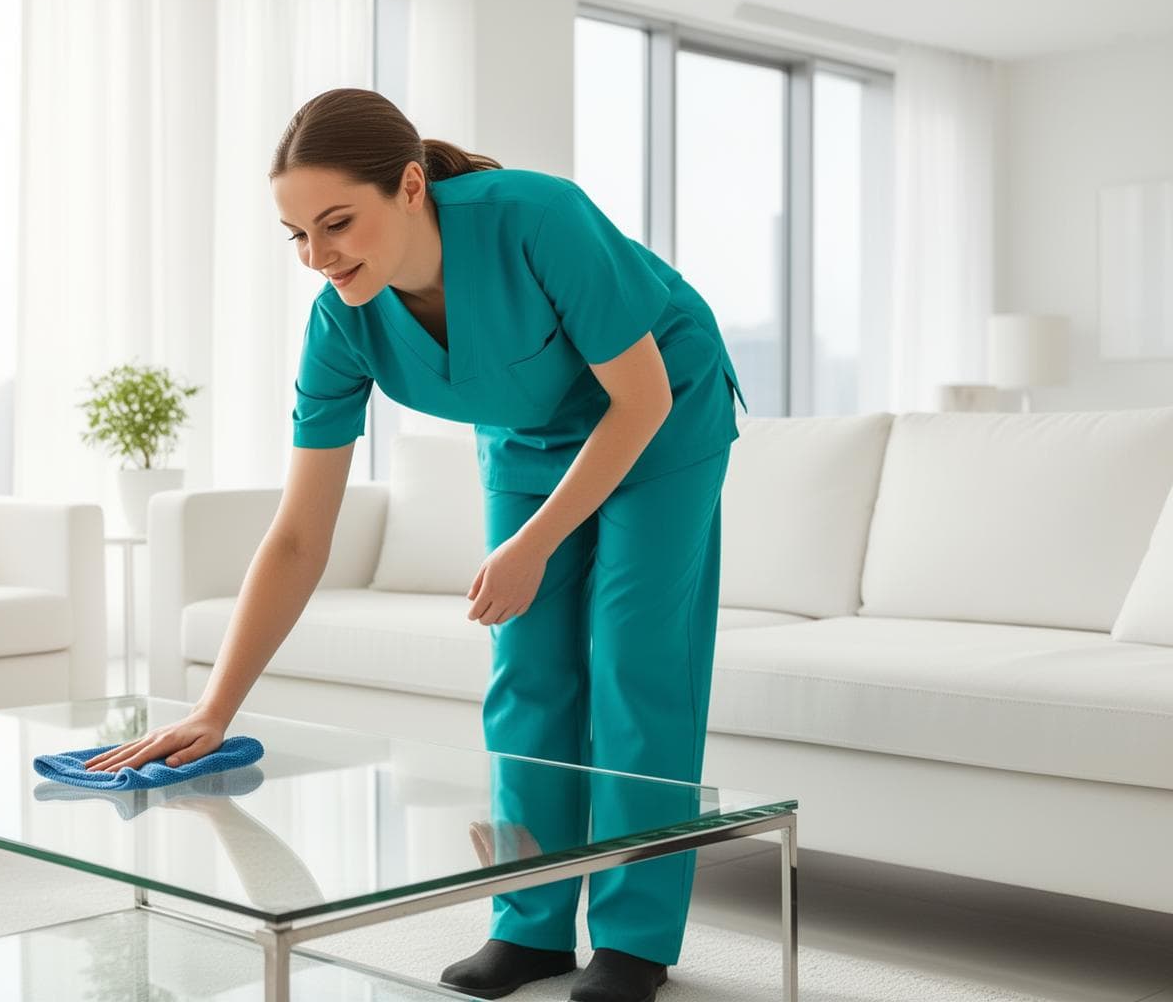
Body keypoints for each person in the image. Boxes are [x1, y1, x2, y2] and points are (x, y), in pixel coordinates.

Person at [81, 87, 744, 1002]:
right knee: (528, 671)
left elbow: (640, 400)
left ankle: (633, 944)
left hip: (661, 408)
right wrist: (215, 708)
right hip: (527, 435)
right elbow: (300, 535)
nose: (319, 256)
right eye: (297, 235)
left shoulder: (539, 218)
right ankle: (530, 922)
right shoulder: (341, 324)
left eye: (338, 222)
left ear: (409, 186)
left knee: (634, 657)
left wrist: (535, 545)